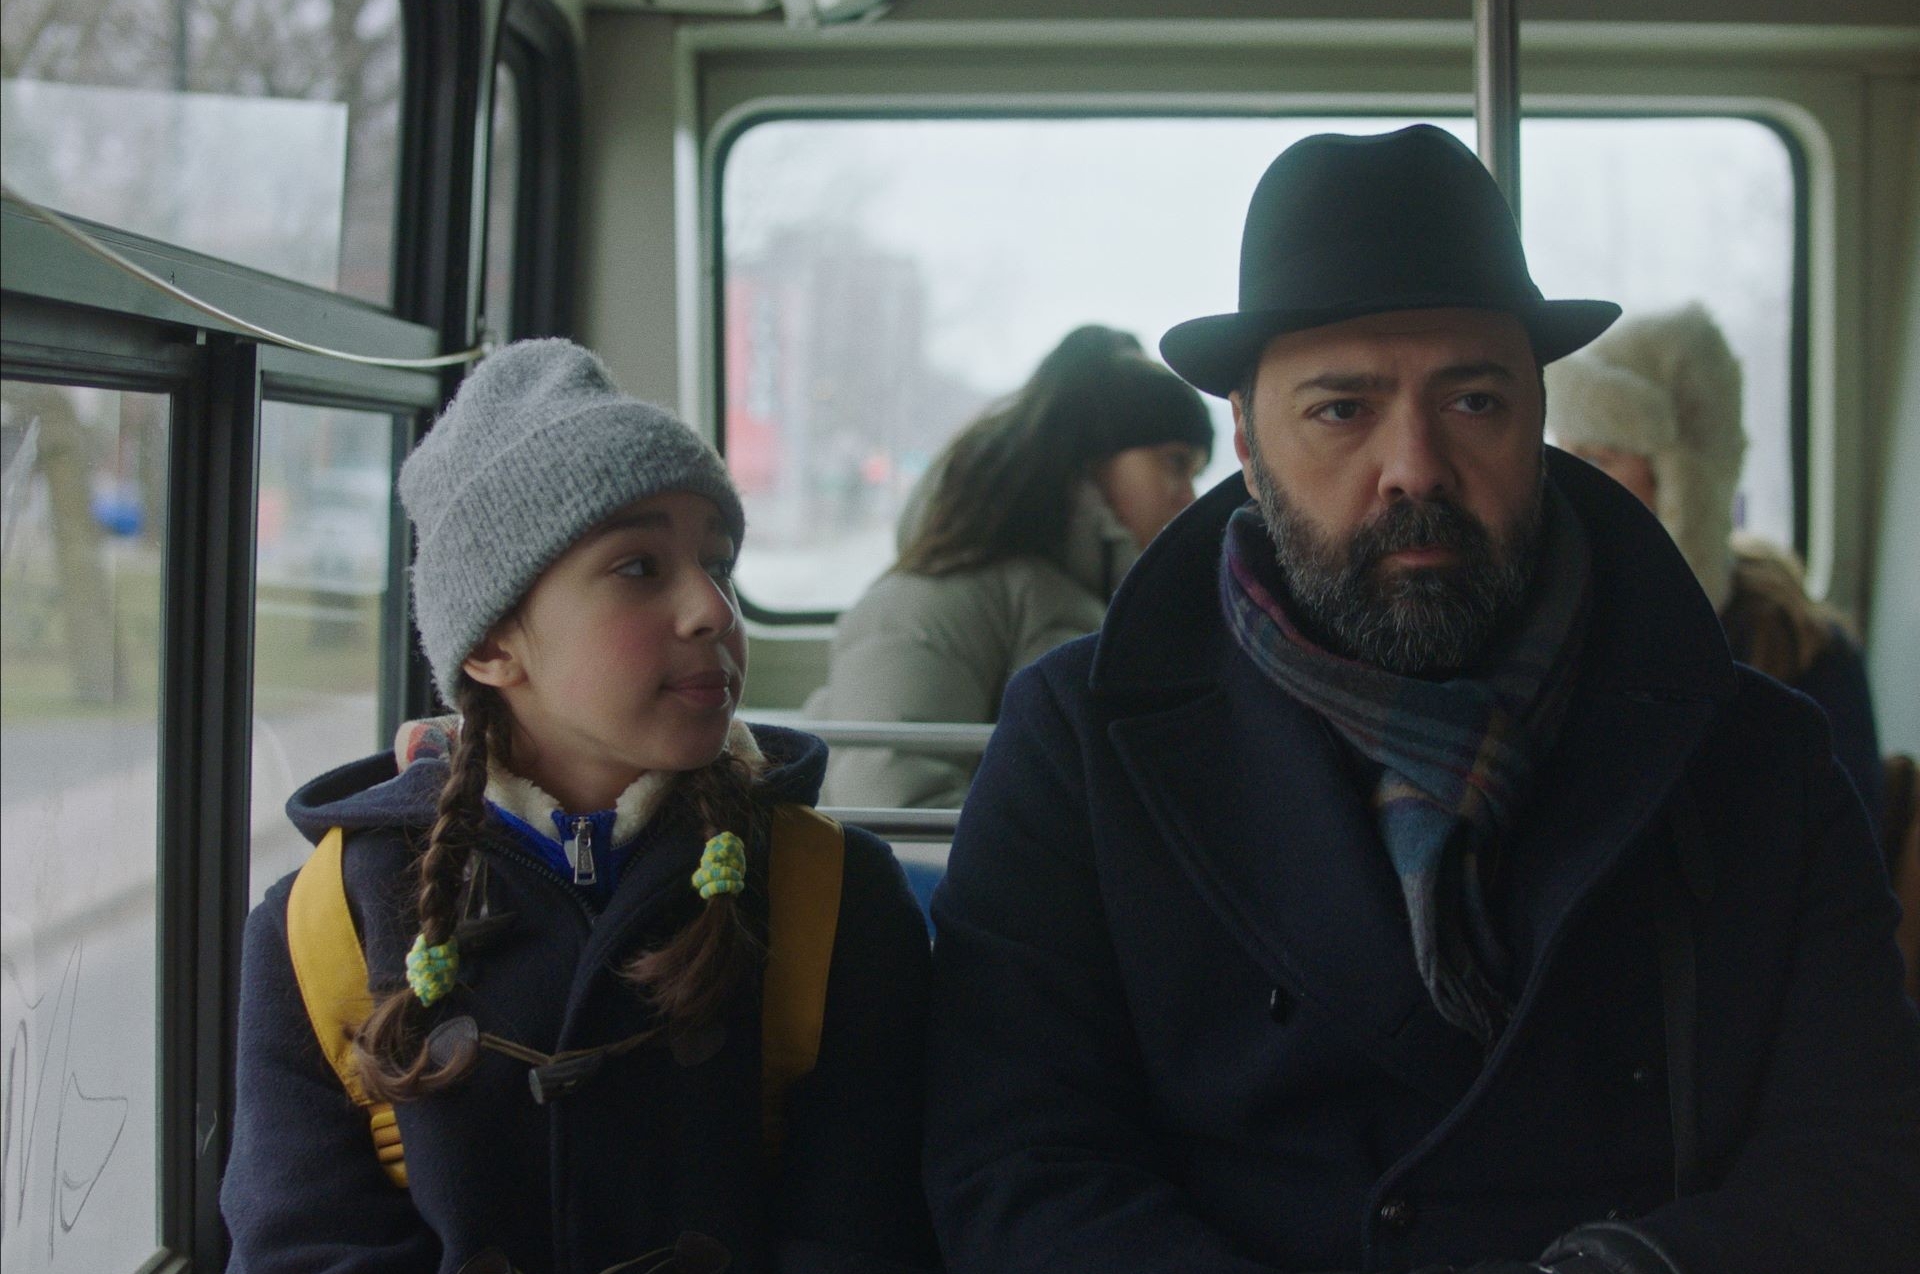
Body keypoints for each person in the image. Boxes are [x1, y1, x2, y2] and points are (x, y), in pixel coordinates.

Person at [923, 125, 1920, 1274]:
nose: (1415, 467)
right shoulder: (1078, 746)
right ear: (1247, 442)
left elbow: (1861, 1155)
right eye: (1342, 409)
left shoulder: (1755, 758)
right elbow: (1016, 1161)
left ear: (1537, 421)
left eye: (1474, 401)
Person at [222, 340, 937, 1273]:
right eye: (640, 567)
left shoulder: (833, 897)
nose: (713, 610)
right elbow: (306, 1246)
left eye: (717, 565)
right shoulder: (325, 926)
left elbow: (864, 1230)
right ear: (491, 649)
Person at [806, 325, 1214, 811]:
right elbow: (896, 810)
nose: (1189, 498)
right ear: (1093, 463)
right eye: (1174, 463)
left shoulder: (1098, 605)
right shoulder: (929, 602)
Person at [1544, 303, 1884, 819]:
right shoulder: (1557, 619)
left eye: (1597, 460)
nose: (1572, 485)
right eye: (1564, 457)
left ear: (1680, 483)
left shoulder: (1804, 652)